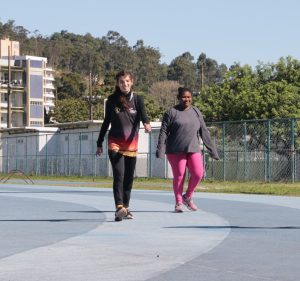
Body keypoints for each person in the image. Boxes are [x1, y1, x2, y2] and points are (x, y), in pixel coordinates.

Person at [96, 70, 151, 221]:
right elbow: (106, 122)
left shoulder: (138, 99)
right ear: (117, 84)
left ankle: (125, 208)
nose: (124, 84)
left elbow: (143, 115)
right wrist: (99, 142)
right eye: (121, 82)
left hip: (131, 144)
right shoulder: (111, 100)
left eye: (127, 81)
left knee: (128, 178)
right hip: (115, 143)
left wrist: (146, 124)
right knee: (119, 175)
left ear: (132, 82)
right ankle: (119, 206)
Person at [156, 87, 219, 213]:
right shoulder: (171, 112)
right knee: (179, 176)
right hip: (175, 150)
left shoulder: (196, 112)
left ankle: (187, 196)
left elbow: (204, 131)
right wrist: (160, 149)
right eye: (184, 97)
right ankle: (178, 202)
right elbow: (163, 132)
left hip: (193, 148)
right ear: (179, 98)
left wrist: (212, 150)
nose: (186, 99)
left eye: (189, 97)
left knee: (198, 173)